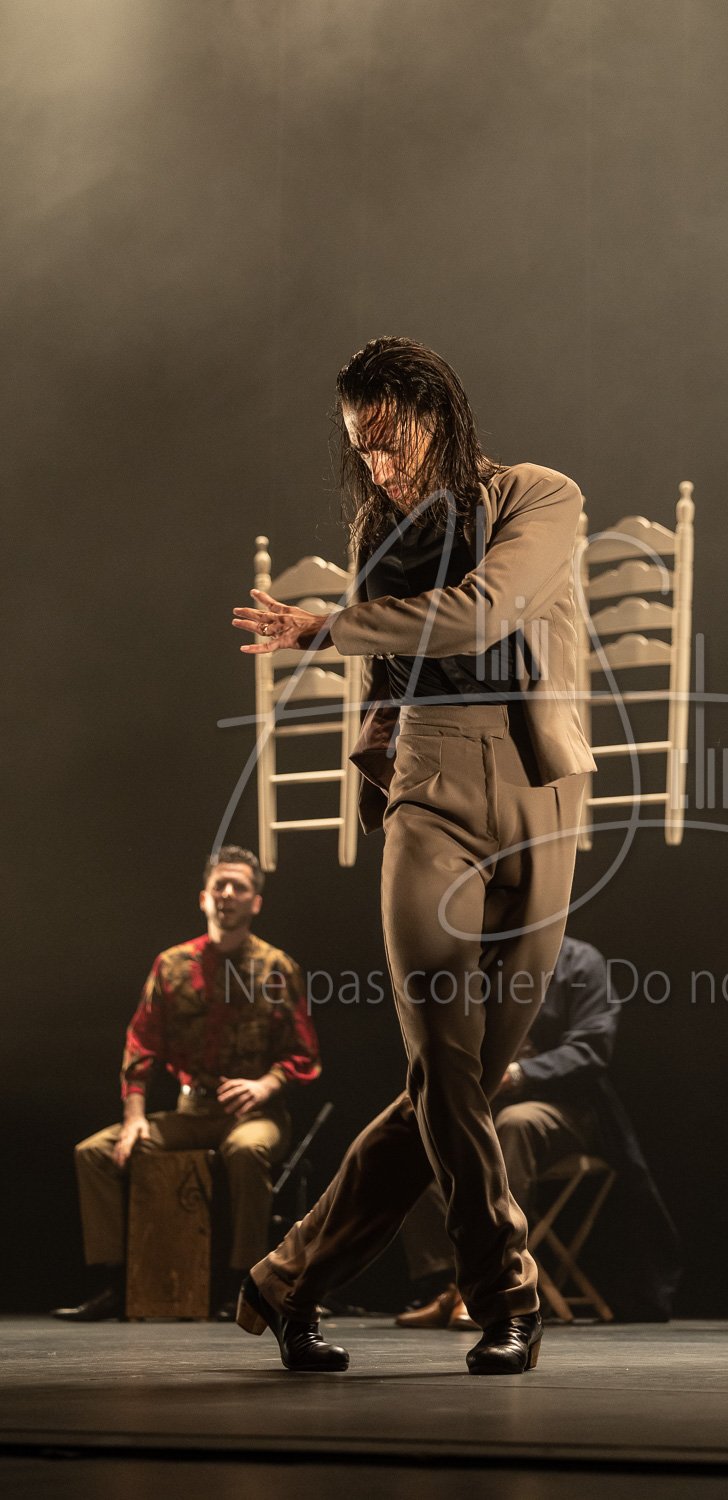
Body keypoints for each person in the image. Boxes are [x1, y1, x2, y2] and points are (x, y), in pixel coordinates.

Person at [231, 336, 594, 1374]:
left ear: (440, 414)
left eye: (392, 440)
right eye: (364, 448)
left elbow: (486, 610)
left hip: (540, 789)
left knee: (461, 1081)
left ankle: (286, 1281)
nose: (381, 465)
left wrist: (326, 627)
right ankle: (507, 1295)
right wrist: (384, 786)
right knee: (443, 1062)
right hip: (430, 790)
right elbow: (387, 685)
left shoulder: (541, 496)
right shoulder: (378, 530)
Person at [53, 847, 320, 1322]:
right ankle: (119, 1282)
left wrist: (265, 1085)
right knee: (95, 1153)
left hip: (253, 1113)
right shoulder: (172, 964)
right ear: (204, 897)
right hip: (191, 1111)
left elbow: (303, 1054)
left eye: (239, 887)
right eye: (220, 886)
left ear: (256, 902)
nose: (228, 894)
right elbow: (141, 1043)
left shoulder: (277, 967)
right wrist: (134, 1116)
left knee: (246, 1151)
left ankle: (245, 1285)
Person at [394, 935, 681, 1329]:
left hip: (563, 1106)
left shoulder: (580, 961)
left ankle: (495, 1281)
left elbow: (591, 1049)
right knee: (421, 1128)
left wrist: (517, 1074)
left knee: (516, 1124)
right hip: (486, 1102)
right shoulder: (480, 961)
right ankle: (454, 1283)